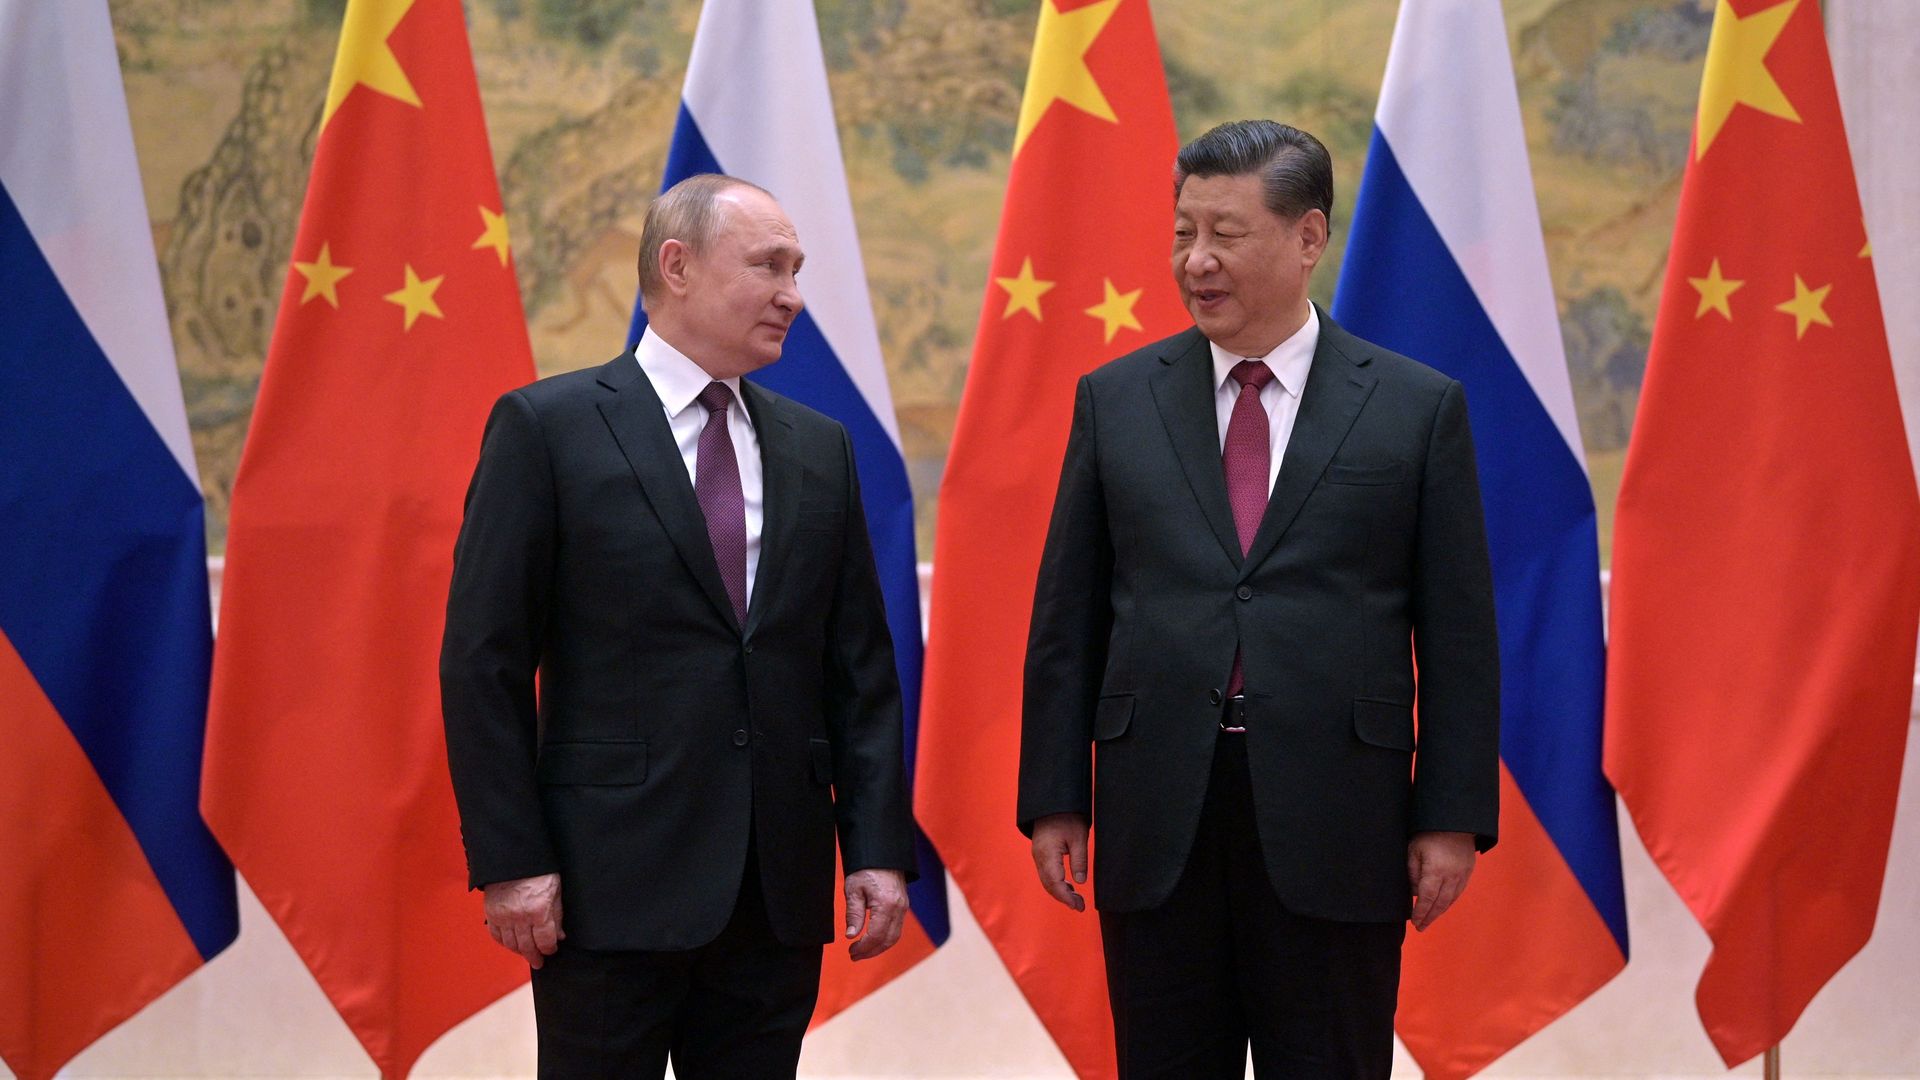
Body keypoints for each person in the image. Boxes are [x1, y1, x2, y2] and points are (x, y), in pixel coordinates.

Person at [1018, 120, 1501, 1078]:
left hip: (1339, 817)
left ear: (1309, 237)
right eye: (1183, 232)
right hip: (1160, 812)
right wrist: (1055, 797)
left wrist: (1448, 815)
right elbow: (1067, 617)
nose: (1196, 261)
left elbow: (1459, 635)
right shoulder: (1117, 399)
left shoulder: (1414, 406)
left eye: (1226, 235)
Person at [441, 173, 915, 1079]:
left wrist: (878, 849)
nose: (793, 295)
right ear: (678, 265)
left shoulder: (821, 446)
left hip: (772, 888)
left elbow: (859, 670)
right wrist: (510, 860)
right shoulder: (548, 428)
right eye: (769, 266)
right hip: (603, 885)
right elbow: (482, 663)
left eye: (798, 269)